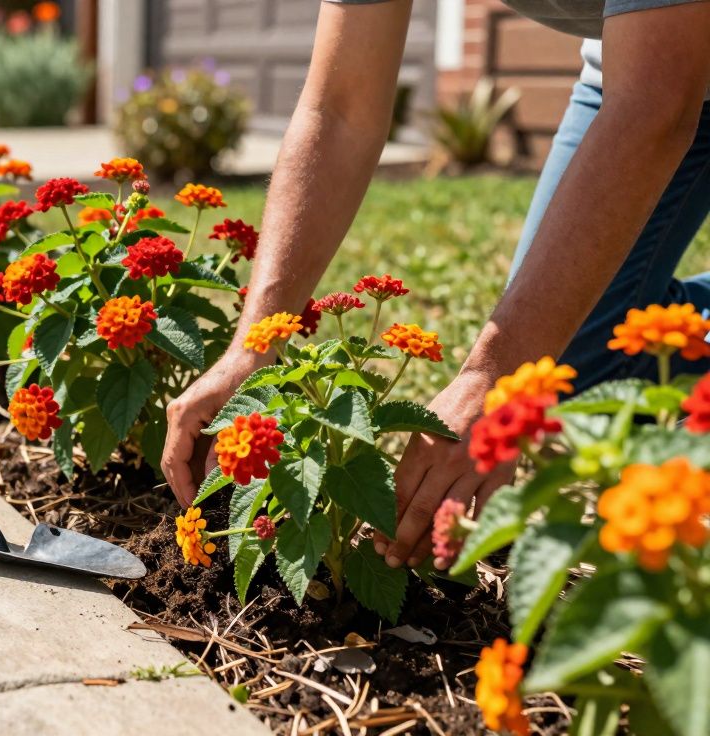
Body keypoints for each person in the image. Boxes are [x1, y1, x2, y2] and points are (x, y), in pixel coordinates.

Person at [162, 0, 710, 570]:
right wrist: (253, 347)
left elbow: (657, 102)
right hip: (631, 63)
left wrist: (495, 376)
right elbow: (342, 105)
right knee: (581, 361)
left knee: (530, 369)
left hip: (654, 79)